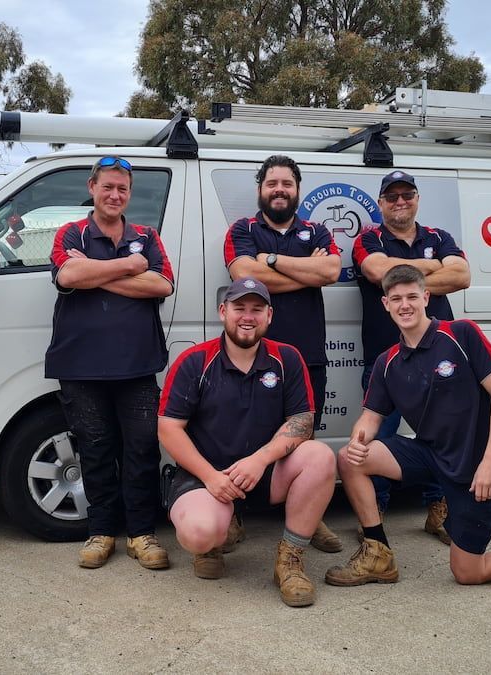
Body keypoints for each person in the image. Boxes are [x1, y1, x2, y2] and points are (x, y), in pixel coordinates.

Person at [325, 265, 491, 587]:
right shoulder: (387, 361)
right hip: (430, 454)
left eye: (411, 297)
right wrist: (358, 439)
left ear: (426, 297)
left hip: (474, 469)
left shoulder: (461, 334)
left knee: (468, 573)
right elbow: (371, 417)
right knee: (350, 460)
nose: (404, 305)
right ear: (385, 305)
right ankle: (378, 554)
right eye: (396, 299)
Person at [159, 277, 336, 607]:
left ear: (269, 315)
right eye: (239, 308)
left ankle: (290, 560)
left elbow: (302, 422)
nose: (247, 316)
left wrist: (261, 459)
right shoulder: (195, 360)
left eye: (257, 309)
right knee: (199, 533)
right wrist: (211, 478)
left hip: (266, 472)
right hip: (206, 475)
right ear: (223, 312)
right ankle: (215, 539)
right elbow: (169, 429)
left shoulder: (288, 358)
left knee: (321, 456)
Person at [45, 155, 174, 571]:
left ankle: (141, 533)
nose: (115, 194)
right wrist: (130, 267)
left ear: (129, 193)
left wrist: (96, 273)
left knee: (141, 449)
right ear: (92, 188)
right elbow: (67, 277)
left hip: (138, 366)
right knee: (95, 450)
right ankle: (101, 532)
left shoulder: (147, 236)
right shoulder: (70, 232)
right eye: (108, 187)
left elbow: (163, 284)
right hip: (80, 365)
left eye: (122, 188)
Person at [223, 154, 343, 554]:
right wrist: (303, 272)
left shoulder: (318, 230)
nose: (279, 190)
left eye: (286, 184)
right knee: (242, 433)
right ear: (260, 189)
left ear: (297, 190)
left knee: (305, 437)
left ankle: (309, 515)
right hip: (252, 354)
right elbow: (244, 276)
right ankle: (233, 514)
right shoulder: (242, 229)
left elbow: (329, 273)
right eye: (272, 183)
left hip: (306, 355)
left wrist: (271, 262)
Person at [352, 169, 472, 544]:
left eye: (407, 194)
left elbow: (463, 275)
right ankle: (375, 510)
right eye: (392, 196)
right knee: (375, 442)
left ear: (417, 199)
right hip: (385, 360)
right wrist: (434, 267)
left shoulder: (439, 236)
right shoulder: (368, 238)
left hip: (439, 358)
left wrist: (401, 277)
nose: (400, 201)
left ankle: (439, 509)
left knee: (442, 436)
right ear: (381, 203)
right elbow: (377, 271)